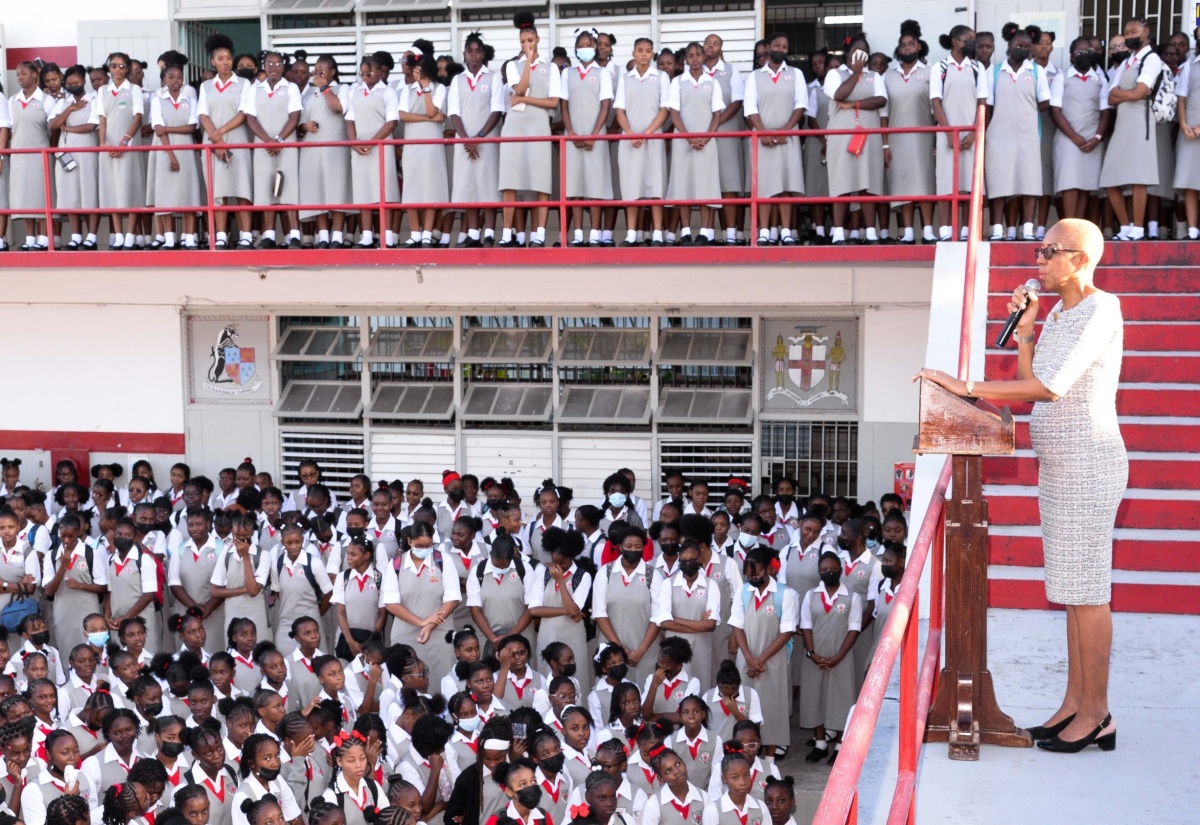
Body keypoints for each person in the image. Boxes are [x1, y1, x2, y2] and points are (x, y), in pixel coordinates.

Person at [915, 218, 1125, 754]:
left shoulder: (1102, 309)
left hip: (1089, 462)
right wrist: (1028, 329)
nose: (1038, 260)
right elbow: (1033, 377)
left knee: (1088, 593)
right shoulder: (1058, 311)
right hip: (1059, 465)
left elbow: (1049, 388)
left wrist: (963, 386)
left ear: (1079, 259)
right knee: (1071, 593)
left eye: (1048, 251)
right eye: (1038, 249)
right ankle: (1075, 703)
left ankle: (1098, 713)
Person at [498, 12, 561, 248]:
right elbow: (521, 88)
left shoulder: (551, 68)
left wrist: (527, 99)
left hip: (539, 127)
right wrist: (527, 63)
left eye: (531, 40)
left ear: (538, 40)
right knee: (510, 181)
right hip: (514, 128)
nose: (527, 44)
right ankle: (507, 232)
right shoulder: (512, 66)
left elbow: (553, 102)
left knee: (540, 181)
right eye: (523, 41)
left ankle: (540, 233)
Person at [983, 25, 1050, 241]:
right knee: (999, 183)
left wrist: (1024, 111)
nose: (1022, 49)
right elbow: (988, 107)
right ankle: (996, 229)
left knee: (1029, 183)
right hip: (998, 136)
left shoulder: (1037, 72)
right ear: (1009, 45)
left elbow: (1045, 102)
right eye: (1018, 45)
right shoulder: (993, 71)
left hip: (1029, 135)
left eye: (1027, 46)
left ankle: (1028, 229)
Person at [1099, 16, 1162, 240]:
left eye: (1133, 32)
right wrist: (1132, 94)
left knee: (1138, 178)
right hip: (1123, 124)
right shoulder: (1127, 61)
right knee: (1109, 179)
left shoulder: (1152, 59)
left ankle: (1137, 229)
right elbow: (1111, 95)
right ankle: (1125, 227)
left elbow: (1139, 92)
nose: (1129, 36)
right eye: (1126, 32)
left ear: (1146, 33)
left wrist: (1126, 95)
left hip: (1140, 123)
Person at [798, 552, 862, 765]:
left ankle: (840, 746)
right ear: (819, 572)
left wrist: (839, 656)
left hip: (840, 657)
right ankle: (820, 744)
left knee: (841, 700)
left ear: (841, 570)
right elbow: (805, 625)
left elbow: (854, 629)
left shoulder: (852, 597)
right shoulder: (810, 595)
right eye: (824, 570)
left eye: (833, 568)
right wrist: (811, 653)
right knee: (814, 699)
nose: (829, 572)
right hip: (814, 657)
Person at [825, 35, 888, 244]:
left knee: (867, 182)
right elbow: (839, 94)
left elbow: (880, 99)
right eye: (856, 50)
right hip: (841, 136)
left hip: (868, 134)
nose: (861, 54)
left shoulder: (875, 77)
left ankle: (870, 232)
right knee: (841, 182)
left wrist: (854, 105)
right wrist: (856, 72)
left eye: (864, 51)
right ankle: (839, 233)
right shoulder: (835, 74)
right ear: (848, 52)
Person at [447, 33, 504, 248]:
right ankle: (473, 234)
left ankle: (489, 233)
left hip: (486, 140)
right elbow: (454, 112)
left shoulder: (494, 78)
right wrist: (466, 140)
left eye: (477, 51)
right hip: (465, 143)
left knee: (487, 185)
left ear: (483, 54)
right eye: (469, 51)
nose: (473, 55)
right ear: (464, 54)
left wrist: (479, 137)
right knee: (468, 186)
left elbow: (497, 110)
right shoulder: (457, 80)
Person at [197, 35, 254, 249]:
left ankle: (246, 236)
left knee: (241, 188)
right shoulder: (206, 86)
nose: (225, 62)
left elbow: (244, 114)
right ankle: (221, 235)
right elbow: (202, 115)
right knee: (217, 190)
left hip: (237, 138)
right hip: (213, 142)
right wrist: (217, 140)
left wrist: (220, 133)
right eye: (220, 59)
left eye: (228, 58)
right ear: (213, 62)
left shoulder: (244, 83)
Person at [243, 50, 303, 249]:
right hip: (264, 146)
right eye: (269, 64)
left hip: (285, 145)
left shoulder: (291, 88)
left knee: (289, 188)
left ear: (283, 67)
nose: (273, 68)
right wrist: (268, 140)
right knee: (266, 188)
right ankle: (269, 235)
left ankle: (294, 235)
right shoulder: (255, 89)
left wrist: (278, 140)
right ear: (264, 66)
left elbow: (294, 117)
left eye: (278, 64)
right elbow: (250, 118)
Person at [883, 22, 936, 244]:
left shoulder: (930, 72)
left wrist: (936, 140)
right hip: (896, 139)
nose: (907, 48)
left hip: (923, 138)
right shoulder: (888, 75)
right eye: (903, 45)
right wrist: (885, 144)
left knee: (924, 184)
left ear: (919, 47)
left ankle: (928, 231)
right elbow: (883, 112)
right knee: (902, 184)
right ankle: (908, 232)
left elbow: (936, 109)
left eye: (911, 44)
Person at [614, 38, 670, 246]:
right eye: (640, 50)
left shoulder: (661, 77)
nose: (644, 54)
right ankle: (631, 234)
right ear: (633, 53)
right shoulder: (625, 78)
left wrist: (646, 133)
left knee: (655, 186)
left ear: (653, 53)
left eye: (648, 50)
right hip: (630, 141)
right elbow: (620, 110)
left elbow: (664, 110)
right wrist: (629, 133)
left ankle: (657, 233)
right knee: (631, 188)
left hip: (653, 139)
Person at [666, 43, 724, 245]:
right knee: (684, 184)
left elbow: (717, 114)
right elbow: (674, 113)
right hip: (684, 141)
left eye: (698, 54)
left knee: (707, 184)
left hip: (707, 142)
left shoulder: (712, 82)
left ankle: (706, 231)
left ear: (703, 57)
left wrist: (707, 136)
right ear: (686, 60)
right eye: (691, 56)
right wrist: (688, 137)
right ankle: (687, 232)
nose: (696, 59)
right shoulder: (678, 82)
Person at [561, 28, 614, 247]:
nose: (585, 48)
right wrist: (571, 132)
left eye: (589, 44)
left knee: (595, 187)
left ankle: (594, 233)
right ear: (576, 49)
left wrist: (594, 135)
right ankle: (578, 234)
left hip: (596, 136)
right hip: (572, 136)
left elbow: (605, 106)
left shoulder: (602, 73)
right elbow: (563, 105)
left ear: (595, 48)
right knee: (574, 188)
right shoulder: (567, 73)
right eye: (581, 44)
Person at [931, 25, 982, 242]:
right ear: (955, 41)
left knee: (969, 185)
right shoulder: (940, 67)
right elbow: (936, 102)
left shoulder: (978, 67)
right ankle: (945, 230)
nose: (972, 42)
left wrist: (974, 133)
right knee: (946, 182)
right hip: (946, 135)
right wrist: (948, 132)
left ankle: (966, 230)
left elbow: (983, 103)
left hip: (971, 135)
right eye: (968, 38)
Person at [1051, 37, 1110, 220]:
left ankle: (1079, 226)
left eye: (1088, 51)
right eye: (1079, 52)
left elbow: (1106, 112)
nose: (1084, 55)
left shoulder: (1100, 80)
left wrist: (1097, 137)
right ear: (1071, 56)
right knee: (1070, 182)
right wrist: (1074, 137)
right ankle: (1069, 225)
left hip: (1092, 138)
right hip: (1068, 137)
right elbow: (1055, 110)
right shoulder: (1062, 77)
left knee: (1085, 183)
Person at [345, 53, 399, 249]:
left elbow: (391, 122)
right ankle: (367, 236)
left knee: (385, 190)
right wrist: (354, 142)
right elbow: (350, 120)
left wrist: (373, 142)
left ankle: (387, 236)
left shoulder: (388, 92)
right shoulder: (354, 91)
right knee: (363, 191)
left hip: (381, 146)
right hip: (359, 149)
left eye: (370, 72)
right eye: (363, 72)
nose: (365, 76)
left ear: (380, 73)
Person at [298, 54, 352, 249]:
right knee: (317, 191)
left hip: (336, 149)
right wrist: (305, 126)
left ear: (332, 72)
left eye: (322, 71)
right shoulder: (308, 94)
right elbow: (299, 124)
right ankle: (322, 236)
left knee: (337, 190)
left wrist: (324, 87)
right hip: (312, 149)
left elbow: (339, 108)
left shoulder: (343, 89)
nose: (317, 74)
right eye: (316, 70)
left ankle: (337, 235)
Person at [399, 52, 448, 248]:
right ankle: (415, 233)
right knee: (411, 187)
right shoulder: (406, 90)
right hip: (412, 143)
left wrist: (427, 89)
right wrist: (428, 118)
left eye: (420, 69)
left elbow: (431, 110)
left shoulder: (440, 88)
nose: (416, 72)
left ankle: (427, 233)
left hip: (431, 144)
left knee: (431, 187)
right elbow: (403, 115)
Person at [1175, 26, 1200, 239]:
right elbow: (1181, 97)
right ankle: (1192, 229)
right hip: (1190, 131)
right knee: (1189, 181)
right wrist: (1184, 124)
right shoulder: (1190, 66)